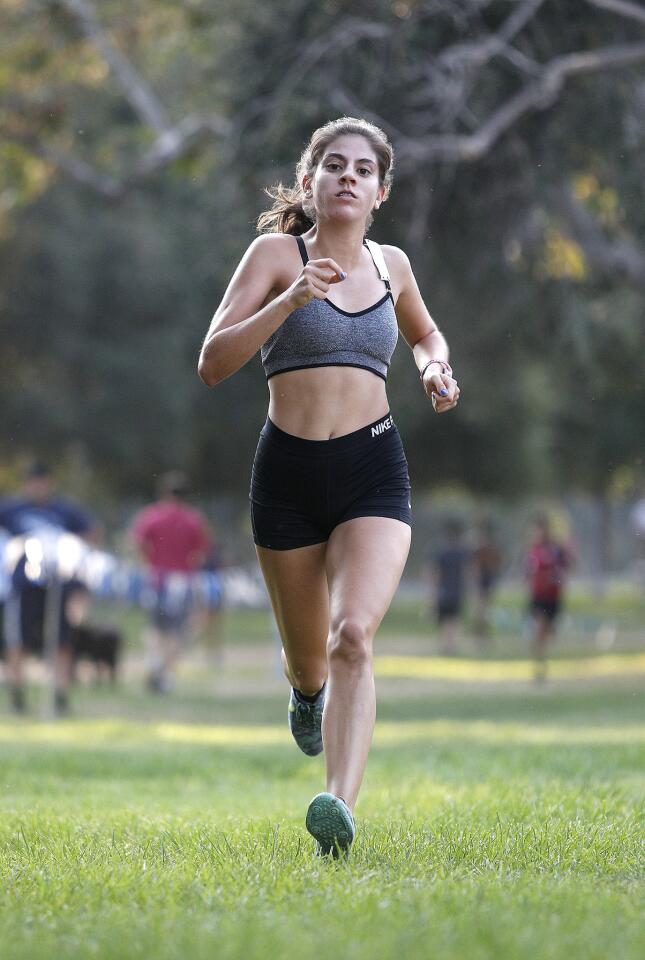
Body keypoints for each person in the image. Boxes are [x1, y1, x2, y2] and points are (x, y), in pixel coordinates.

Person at [198, 117, 460, 857]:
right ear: (309, 182)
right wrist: (287, 303)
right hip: (285, 476)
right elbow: (213, 362)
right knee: (310, 660)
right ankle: (305, 696)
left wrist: (433, 366)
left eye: (362, 169)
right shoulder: (276, 254)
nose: (347, 177)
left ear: (380, 191)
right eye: (333, 165)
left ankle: (337, 808)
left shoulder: (392, 266)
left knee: (354, 636)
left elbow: (425, 334)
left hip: (373, 467)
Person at [0, 461, 97, 714]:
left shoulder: (64, 510)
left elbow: (91, 533)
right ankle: (18, 697)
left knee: (61, 642)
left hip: (58, 586)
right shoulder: (11, 510)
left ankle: (60, 697)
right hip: (23, 587)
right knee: (18, 642)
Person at [131, 470, 211, 693]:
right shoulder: (194, 519)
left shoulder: (151, 515)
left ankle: (155, 663)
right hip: (181, 580)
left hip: (156, 577)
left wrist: (148, 563)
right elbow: (200, 554)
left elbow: (138, 543)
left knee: (155, 626)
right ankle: (164, 672)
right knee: (178, 630)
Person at [524, 513, 574, 682]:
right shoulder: (533, 550)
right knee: (539, 630)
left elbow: (566, 567)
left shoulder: (556, 550)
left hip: (553, 596)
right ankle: (540, 667)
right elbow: (528, 572)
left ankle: (540, 662)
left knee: (546, 633)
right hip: (538, 596)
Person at [429, 518, 470, 656]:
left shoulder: (442, 552)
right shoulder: (462, 553)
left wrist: (434, 591)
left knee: (445, 620)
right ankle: (452, 646)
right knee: (454, 620)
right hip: (456, 591)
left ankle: (445, 646)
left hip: (444, 591)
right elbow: (467, 572)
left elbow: (435, 573)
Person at [471, 519, 503, 642]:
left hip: (488, 579)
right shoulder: (480, 547)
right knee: (481, 609)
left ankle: (483, 633)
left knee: (485, 609)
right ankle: (480, 633)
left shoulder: (488, 547)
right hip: (482, 580)